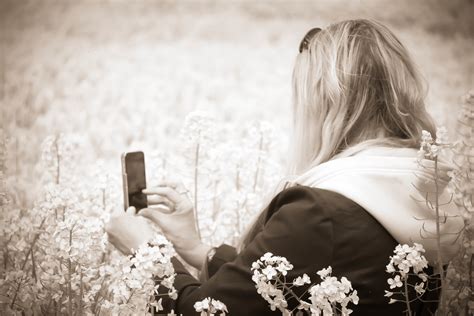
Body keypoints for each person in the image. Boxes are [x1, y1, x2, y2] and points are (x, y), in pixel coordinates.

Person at [106, 19, 463, 315]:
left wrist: (146, 255)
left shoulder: (321, 211)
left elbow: (206, 311)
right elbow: (299, 275)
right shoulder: (422, 194)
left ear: (325, 104)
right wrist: (198, 249)